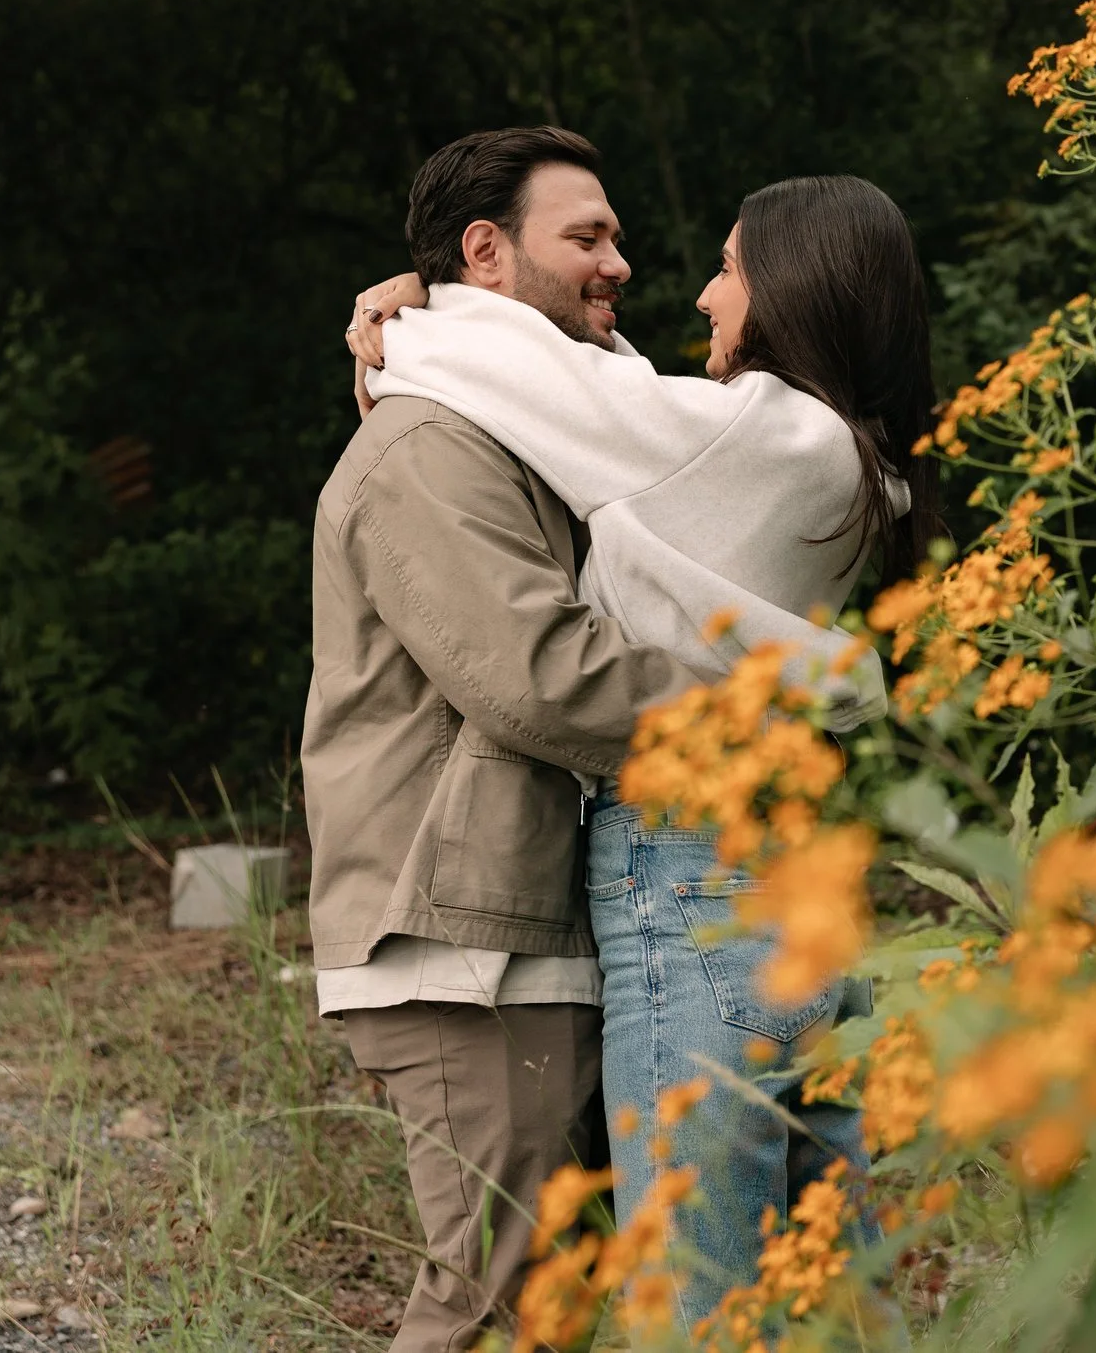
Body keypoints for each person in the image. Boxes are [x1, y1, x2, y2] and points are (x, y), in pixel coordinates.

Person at [346, 171, 941, 1331]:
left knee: (701, 1304)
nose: (706, 295)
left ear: (792, 291)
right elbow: (606, 395)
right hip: (799, 878)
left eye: (729, 269)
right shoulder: (832, 453)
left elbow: (549, 385)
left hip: (692, 876)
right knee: (846, 1303)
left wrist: (413, 315)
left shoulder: (763, 436)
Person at [303, 126, 687, 1352]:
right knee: (499, 1305)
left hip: (505, 920)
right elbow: (540, 676)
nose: (618, 262)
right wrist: (771, 702)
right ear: (486, 249)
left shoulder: (526, 424)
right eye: (586, 235)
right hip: (454, 933)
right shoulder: (426, 446)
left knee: (551, 1300)